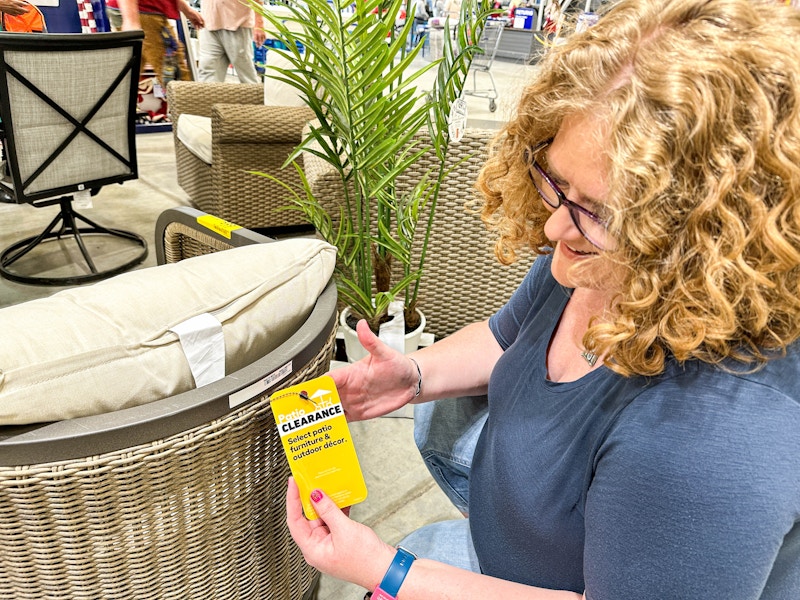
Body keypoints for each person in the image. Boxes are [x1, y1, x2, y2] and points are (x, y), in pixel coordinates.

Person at [285, 0, 800, 598]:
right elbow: (510, 334)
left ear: (704, 238)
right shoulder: (592, 254)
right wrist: (412, 377)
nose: (557, 229)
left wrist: (389, 570)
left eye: (599, 212)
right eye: (558, 183)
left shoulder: (708, 441)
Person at [109, 0, 204, 86]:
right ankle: (187, 104)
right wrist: (131, 19)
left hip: (138, 11)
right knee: (176, 78)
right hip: (144, 13)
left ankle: (113, 103)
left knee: (127, 75)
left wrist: (185, 9)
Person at [196, 0, 266, 84]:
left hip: (237, 23)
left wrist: (259, 23)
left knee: (246, 75)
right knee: (207, 73)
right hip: (209, 22)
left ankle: (255, 96)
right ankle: (208, 97)